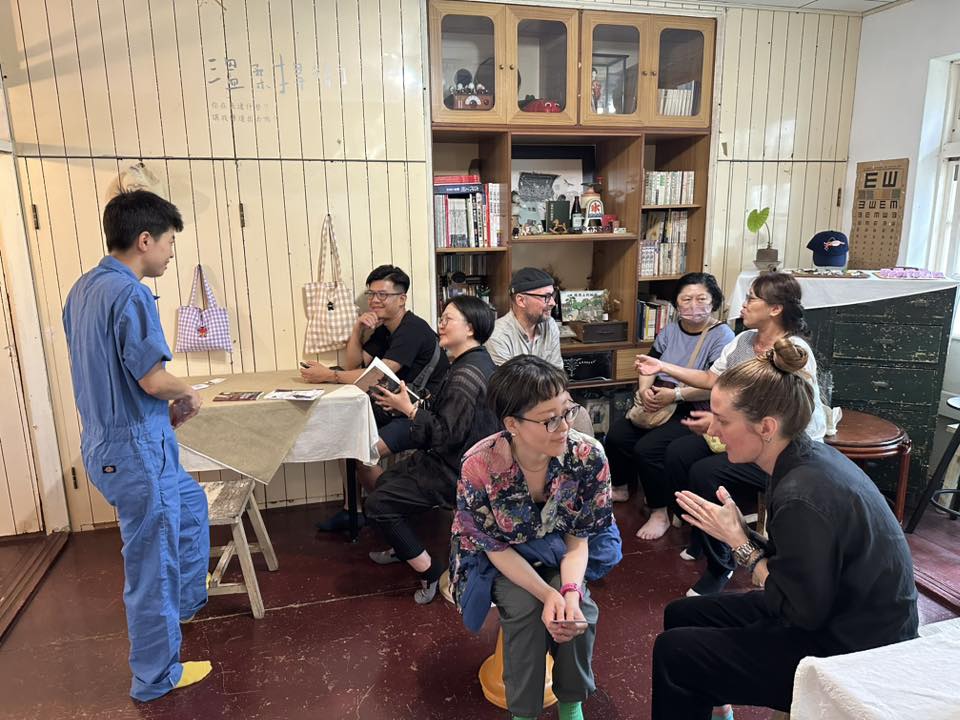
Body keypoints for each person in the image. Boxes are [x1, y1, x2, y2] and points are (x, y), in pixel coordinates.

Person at [651, 339, 918, 719]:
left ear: (767, 427)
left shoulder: (801, 493)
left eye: (723, 420)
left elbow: (799, 611)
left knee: (674, 654)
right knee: (683, 614)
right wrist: (741, 537)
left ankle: (706, 686)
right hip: (834, 609)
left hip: (857, 645)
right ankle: (713, 701)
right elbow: (798, 567)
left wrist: (739, 543)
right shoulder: (800, 458)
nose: (714, 428)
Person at [62, 190, 211, 701]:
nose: (171, 253)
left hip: (113, 442)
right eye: (169, 242)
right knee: (153, 565)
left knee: (191, 507)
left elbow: (106, 371)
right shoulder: (130, 294)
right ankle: (155, 677)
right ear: (145, 240)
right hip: (135, 451)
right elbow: (151, 379)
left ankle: (185, 605)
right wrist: (188, 392)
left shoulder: (83, 289)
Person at [450, 356, 622, 720]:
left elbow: (579, 540)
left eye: (567, 411)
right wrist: (546, 594)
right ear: (512, 423)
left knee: (578, 613)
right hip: (499, 557)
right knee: (528, 612)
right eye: (550, 419)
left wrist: (569, 592)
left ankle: (572, 703)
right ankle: (524, 713)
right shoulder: (478, 466)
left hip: (560, 550)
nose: (564, 426)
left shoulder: (588, 457)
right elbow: (493, 547)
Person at [636, 272, 825, 595]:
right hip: (743, 436)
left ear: (776, 309)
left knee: (704, 473)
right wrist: (663, 368)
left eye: (751, 298)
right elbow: (712, 379)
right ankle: (700, 537)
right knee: (678, 455)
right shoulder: (743, 341)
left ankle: (721, 564)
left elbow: (775, 419)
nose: (744, 304)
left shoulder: (794, 353)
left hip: (779, 448)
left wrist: (717, 425)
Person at [363, 296, 501, 603]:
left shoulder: (466, 375)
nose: (440, 324)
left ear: (470, 328)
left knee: (377, 505)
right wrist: (408, 405)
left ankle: (430, 571)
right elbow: (445, 418)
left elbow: (445, 434)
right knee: (386, 482)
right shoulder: (471, 362)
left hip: (460, 470)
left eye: (448, 319)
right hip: (455, 459)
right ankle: (404, 548)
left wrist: (410, 411)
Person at [302, 265, 449, 531]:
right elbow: (354, 364)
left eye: (383, 294)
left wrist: (328, 375)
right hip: (393, 406)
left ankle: (392, 515)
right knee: (345, 437)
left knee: (363, 451)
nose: (375, 300)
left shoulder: (412, 329)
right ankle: (353, 511)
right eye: (371, 294)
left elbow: (374, 375)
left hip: (420, 415)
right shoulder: (386, 329)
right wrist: (358, 327)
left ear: (401, 298)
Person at [602, 273, 733, 540]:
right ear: (676, 303)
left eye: (701, 299)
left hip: (694, 407)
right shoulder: (671, 330)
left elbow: (714, 383)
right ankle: (621, 487)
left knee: (648, 449)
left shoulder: (722, 335)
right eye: (686, 299)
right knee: (616, 435)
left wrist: (675, 395)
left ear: (714, 302)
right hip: (660, 400)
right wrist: (643, 389)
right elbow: (649, 363)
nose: (693, 306)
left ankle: (659, 511)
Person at [486, 267, 563, 370]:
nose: (553, 303)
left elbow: (558, 374)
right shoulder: (497, 336)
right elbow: (510, 384)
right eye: (546, 297)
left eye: (553, 295)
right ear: (521, 300)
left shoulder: (550, 324)